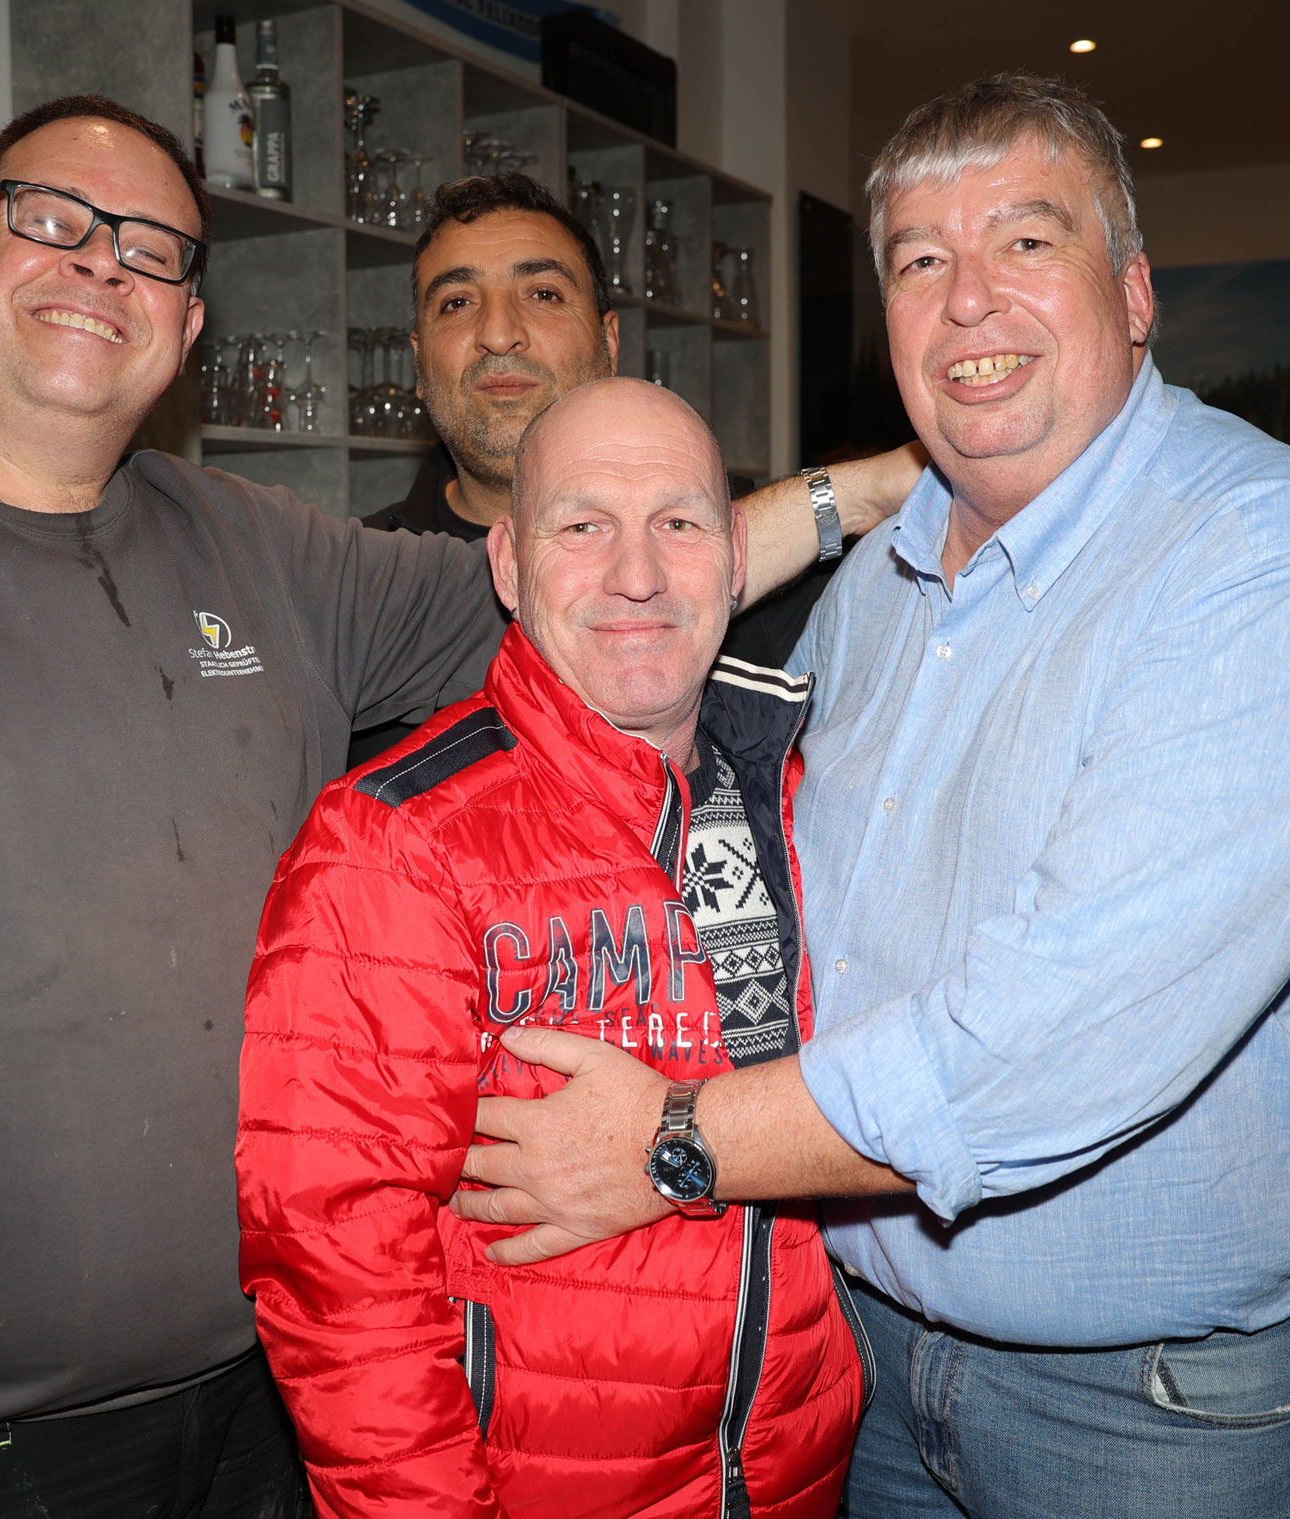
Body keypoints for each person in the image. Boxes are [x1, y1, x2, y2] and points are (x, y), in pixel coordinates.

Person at [0, 95, 874, 1518]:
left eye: (151, 248)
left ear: (190, 324)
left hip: (275, 1401)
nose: (99, 262)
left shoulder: (266, 554)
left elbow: (614, 583)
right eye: (51, 220)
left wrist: (921, 472)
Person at [444, 72, 1290, 1519]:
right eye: (920, 261)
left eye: (1026, 241)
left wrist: (675, 1139)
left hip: (1142, 1408)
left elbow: (1054, 1039)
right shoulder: (883, 586)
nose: (968, 298)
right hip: (860, 1352)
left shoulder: (1273, 558)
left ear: (1135, 292)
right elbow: (634, 625)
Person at [238, 377, 864, 1517]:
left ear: (736, 559)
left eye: (678, 523)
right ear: (508, 566)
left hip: (794, 1479)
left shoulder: (805, 796)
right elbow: (338, 1274)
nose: (637, 574)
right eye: (582, 526)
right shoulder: (393, 842)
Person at [350, 172, 922, 763]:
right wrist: (858, 489)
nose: (498, 334)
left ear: (609, 342)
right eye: (457, 302)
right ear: (418, 363)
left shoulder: (794, 572)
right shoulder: (350, 596)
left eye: (543, 294)